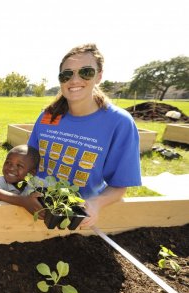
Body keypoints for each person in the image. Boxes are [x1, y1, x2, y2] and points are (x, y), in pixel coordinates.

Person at [27, 43, 141, 227]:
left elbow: (120, 185)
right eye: (67, 74)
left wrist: (96, 203)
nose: (74, 80)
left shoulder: (119, 123)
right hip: (38, 211)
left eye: (85, 72)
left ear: (99, 76)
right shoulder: (48, 116)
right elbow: (30, 160)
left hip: (81, 218)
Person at [0, 145, 43, 213]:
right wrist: (23, 201)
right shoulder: (2, 181)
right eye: (8, 162)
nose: (11, 168)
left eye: (19, 166)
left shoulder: (36, 183)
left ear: (32, 172)